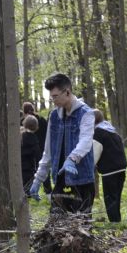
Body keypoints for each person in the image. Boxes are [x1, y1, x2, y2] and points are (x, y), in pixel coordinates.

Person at [28, 73, 95, 214]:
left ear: (67, 92)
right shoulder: (54, 116)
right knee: (56, 224)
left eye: (55, 96)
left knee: (81, 226)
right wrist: (38, 179)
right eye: (51, 97)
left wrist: (72, 159)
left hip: (82, 180)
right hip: (60, 181)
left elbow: (86, 141)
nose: (53, 100)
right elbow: (48, 151)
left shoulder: (86, 113)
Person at [92, 110, 127, 222]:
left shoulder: (98, 133)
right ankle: (117, 219)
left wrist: (88, 166)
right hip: (121, 169)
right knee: (117, 196)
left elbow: (95, 153)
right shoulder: (112, 130)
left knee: (110, 198)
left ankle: (114, 222)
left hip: (109, 171)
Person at [21, 102, 52, 194]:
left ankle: (28, 191)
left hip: (28, 155)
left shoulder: (23, 122)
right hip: (42, 149)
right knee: (44, 169)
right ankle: (48, 191)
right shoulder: (42, 120)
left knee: (29, 172)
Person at [20, 115, 42, 197]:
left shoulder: (20, 135)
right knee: (27, 186)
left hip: (19, 165)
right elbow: (37, 154)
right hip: (28, 167)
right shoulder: (33, 138)